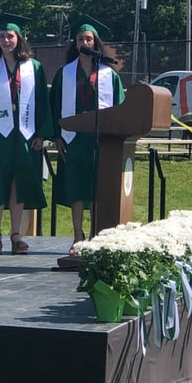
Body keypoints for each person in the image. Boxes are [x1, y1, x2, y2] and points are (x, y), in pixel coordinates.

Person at [50, 15, 125, 250]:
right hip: (73, 140)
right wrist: (57, 136)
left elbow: (119, 109)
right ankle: (76, 235)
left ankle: (95, 235)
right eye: (81, 38)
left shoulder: (108, 74)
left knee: (96, 189)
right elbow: (54, 107)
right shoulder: (65, 73)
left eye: (89, 39)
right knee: (76, 189)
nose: (85, 42)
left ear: (95, 43)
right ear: (75, 42)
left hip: (98, 140)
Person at [0, 14, 53, 256]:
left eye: (10, 36)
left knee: (19, 183)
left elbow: (43, 102)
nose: (6, 40)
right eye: (2, 36)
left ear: (19, 38)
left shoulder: (33, 67)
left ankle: (16, 234)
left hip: (25, 134)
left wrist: (42, 134)